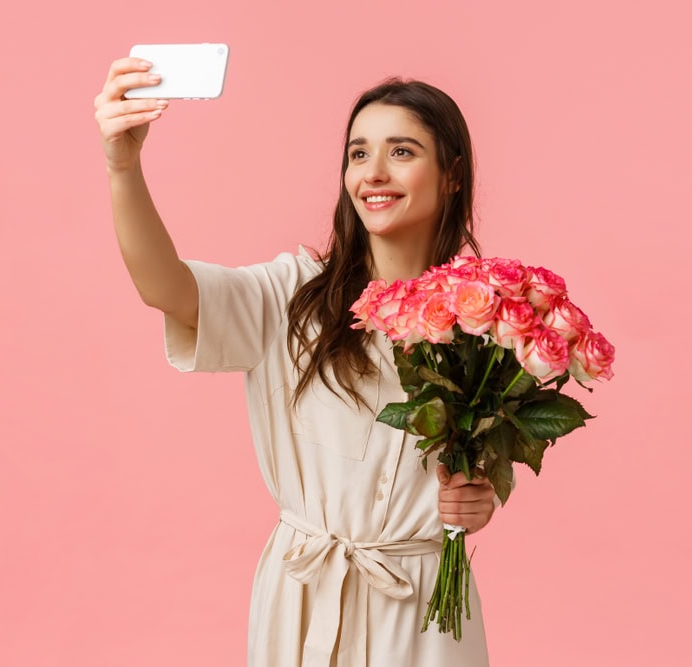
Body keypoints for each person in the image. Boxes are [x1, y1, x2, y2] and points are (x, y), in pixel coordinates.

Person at [94, 57, 498, 666]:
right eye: (358, 154)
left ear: (452, 176)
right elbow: (166, 288)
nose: (374, 173)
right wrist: (122, 167)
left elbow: (485, 475)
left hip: (424, 614)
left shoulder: (489, 320)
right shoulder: (293, 295)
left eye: (403, 152)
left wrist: (478, 501)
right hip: (306, 596)